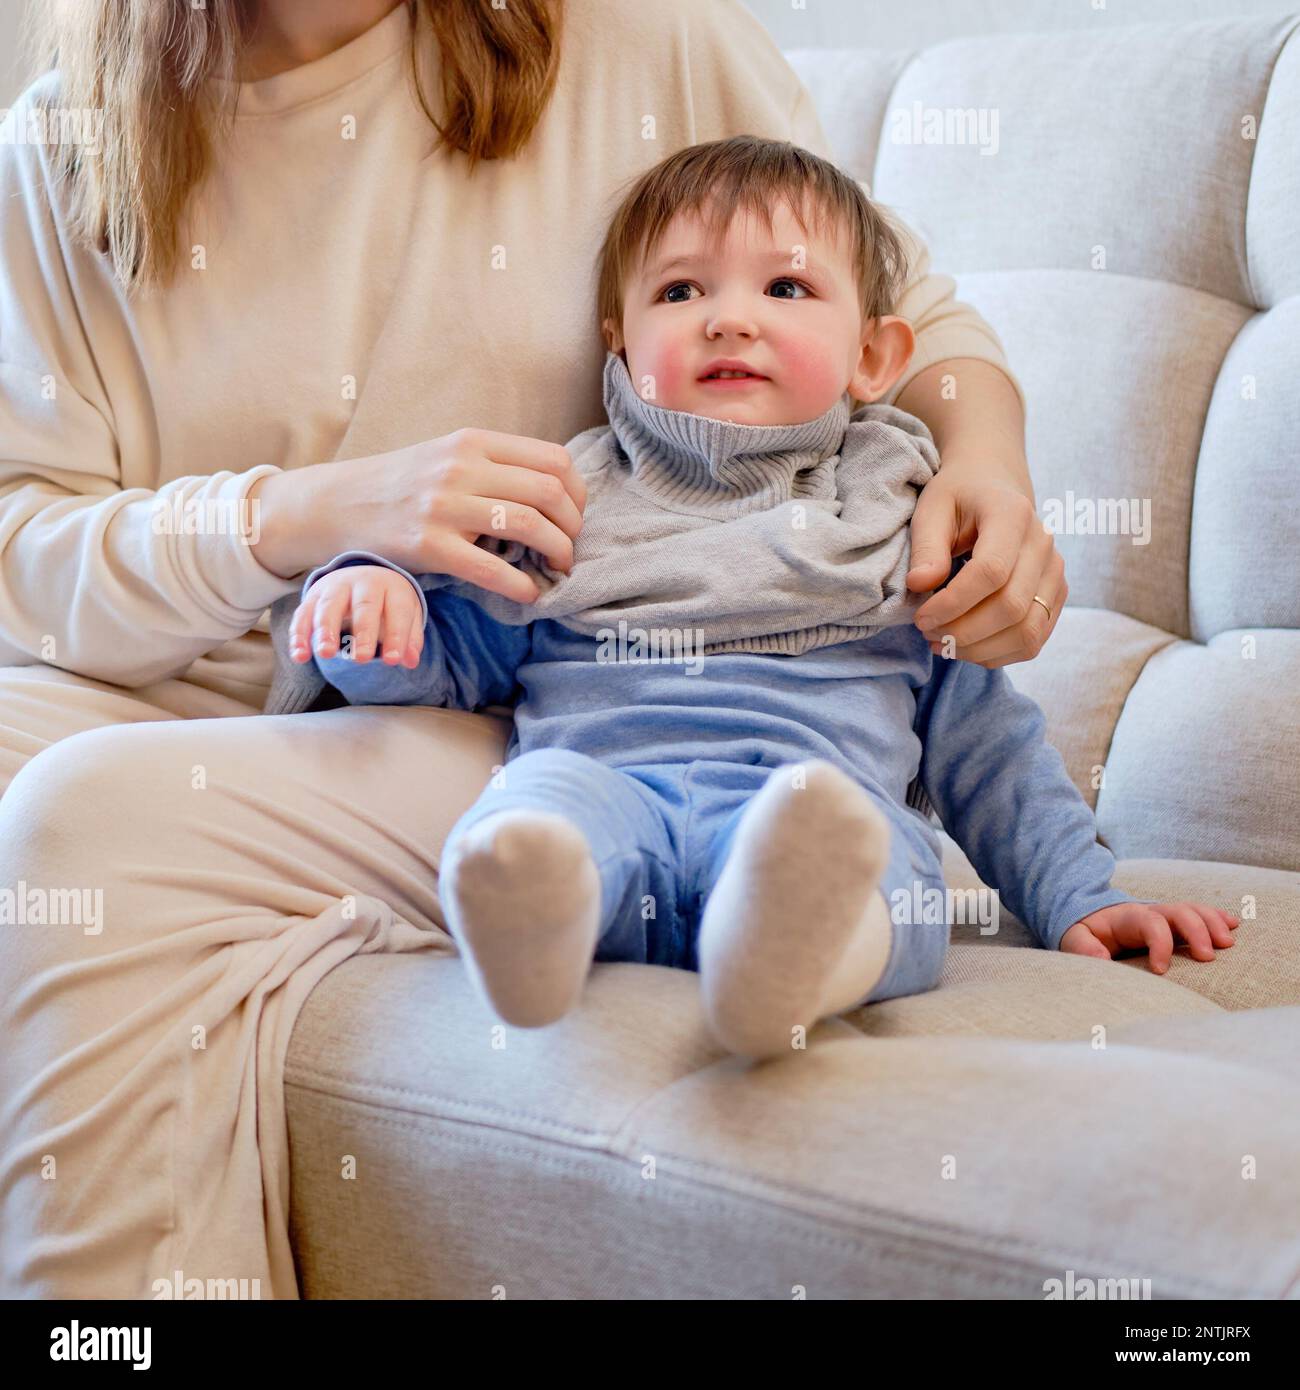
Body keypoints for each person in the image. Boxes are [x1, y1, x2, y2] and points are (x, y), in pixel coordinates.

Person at [0, 0, 1065, 1298]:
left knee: (87, 823)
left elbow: (919, 328)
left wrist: (992, 475)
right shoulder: (66, 139)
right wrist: (307, 513)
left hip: (507, 703)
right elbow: (24, 546)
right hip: (149, 679)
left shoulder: (641, 35)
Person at [270, 137, 1237, 1060]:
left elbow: (982, 740)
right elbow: (463, 652)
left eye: (786, 288)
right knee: (539, 811)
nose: (729, 318)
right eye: (681, 290)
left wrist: (1078, 891)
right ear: (620, 342)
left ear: (873, 356)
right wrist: (370, 606)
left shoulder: (898, 513)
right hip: (613, 792)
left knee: (870, 864)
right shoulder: (565, 500)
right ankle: (533, 917)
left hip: (818, 805)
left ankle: (794, 952)